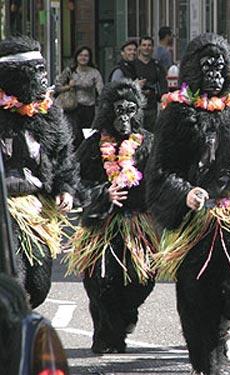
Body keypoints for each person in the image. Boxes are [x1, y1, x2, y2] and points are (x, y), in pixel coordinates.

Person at [146, 33, 230, 375]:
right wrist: (184, 192)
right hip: (196, 220)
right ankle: (207, 361)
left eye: (220, 66)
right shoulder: (177, 113)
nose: (215, 73)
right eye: (206, 66)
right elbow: (159, 172)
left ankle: (229, 319)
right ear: (192, 70)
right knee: (197, 294)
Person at [66, 79, 159, 353]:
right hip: (101, 224)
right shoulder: (94, 144)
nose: (124, 118)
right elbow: (74, 179)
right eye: (119, 111)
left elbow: (159, 180)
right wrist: (102, 195)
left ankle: (126, 315)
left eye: (130, 111)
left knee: (143, 280)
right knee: (98, 281)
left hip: (137, 222)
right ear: (109, 111)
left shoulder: (148, 143)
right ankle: (106, 335)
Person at [0, 36, 78, 308]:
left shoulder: (49, 115)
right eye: (36, 72)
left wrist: (65, 189)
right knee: (14, 278)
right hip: (4, 209)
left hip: (35, 209)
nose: (44, 79)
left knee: (39, 284)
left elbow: (64, 159)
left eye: (44, 71)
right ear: (15, 77)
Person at [55, 46, 104, 149]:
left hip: (88, 108)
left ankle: (85, 159)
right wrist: (69, 86)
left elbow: (101, 90)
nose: (83, 58)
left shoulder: (94, 72)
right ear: (76, 57)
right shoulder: (70, 71)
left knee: (87, 135)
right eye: (81, 55)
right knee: (74, 134)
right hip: (73, 107)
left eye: (86, 55)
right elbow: (57, 87)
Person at [134, 36, 167, 132]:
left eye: (149, 45)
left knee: (151, 133)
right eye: (144, 45)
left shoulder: (157, 66)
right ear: (139, 47)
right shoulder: (133, 65)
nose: (146, 48)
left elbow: (163, 85)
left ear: (152, 48)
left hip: (152, 106)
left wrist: (163, 101)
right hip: (136, 105)